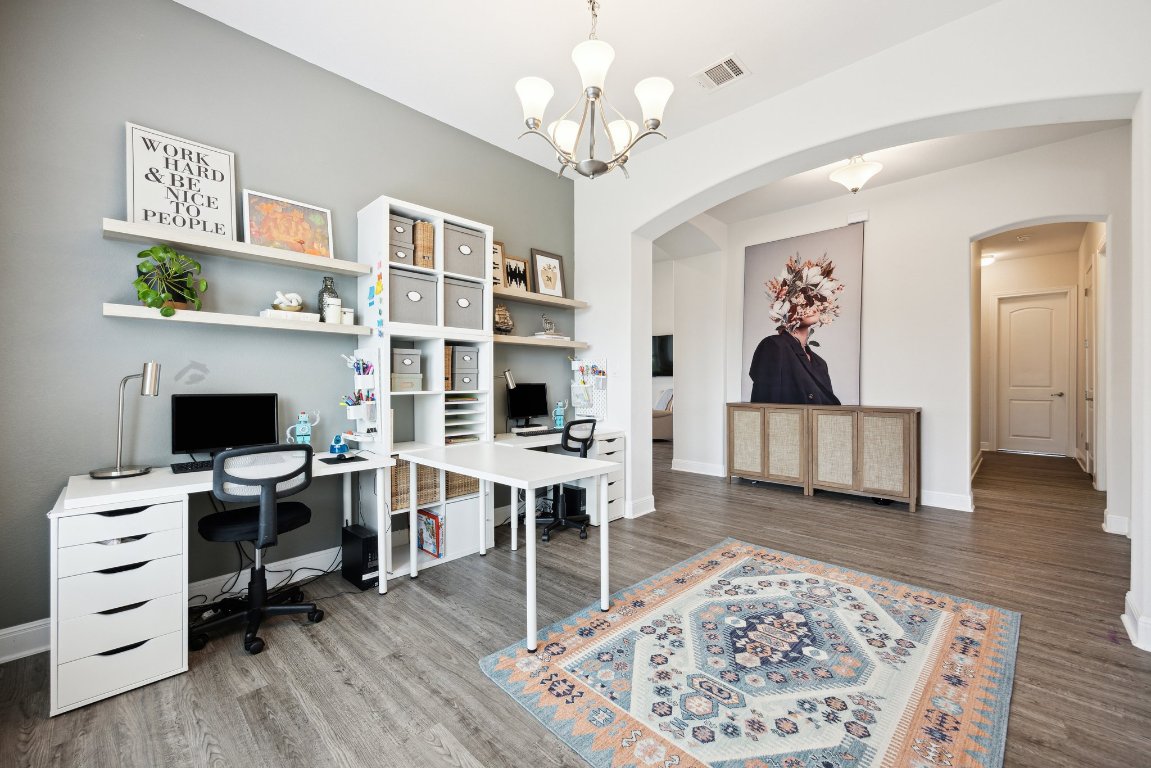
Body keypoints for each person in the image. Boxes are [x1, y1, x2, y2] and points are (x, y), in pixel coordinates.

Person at [749, 254, 844, 405]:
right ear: (787, 305)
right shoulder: (774, 346)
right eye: (804, 299)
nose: (811, 304)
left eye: (817, 298)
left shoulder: (820, 363)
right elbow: (765, 409)